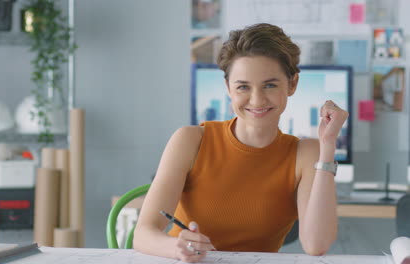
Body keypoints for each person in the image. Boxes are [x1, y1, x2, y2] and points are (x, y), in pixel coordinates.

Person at [134, 23, 349, 263]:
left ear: (292, 84)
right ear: (228, 88)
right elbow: (143, 234)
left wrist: (328, 145)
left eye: (270, 85)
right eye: (243, 87)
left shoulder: (306, 152)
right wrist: (176, 247)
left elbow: (316, 245)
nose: (257, 100)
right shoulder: (190, 140)